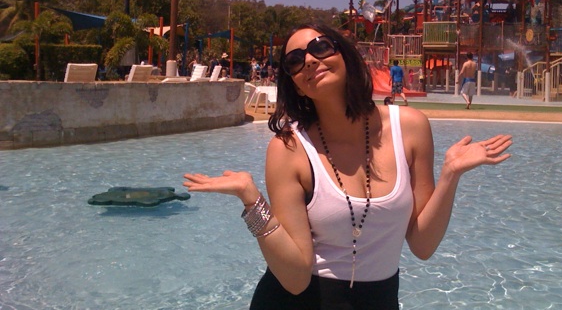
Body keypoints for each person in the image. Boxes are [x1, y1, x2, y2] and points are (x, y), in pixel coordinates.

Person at [184, 22, 512, 309]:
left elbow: (423, 245)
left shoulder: (410, 128)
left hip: (380, 299)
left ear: (345, 55)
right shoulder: (289, 149)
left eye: (320, 47)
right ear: (295, 83)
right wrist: (252, 201)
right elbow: (295, 279)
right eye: (295, 61)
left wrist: (450, 175)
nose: (309, 60)